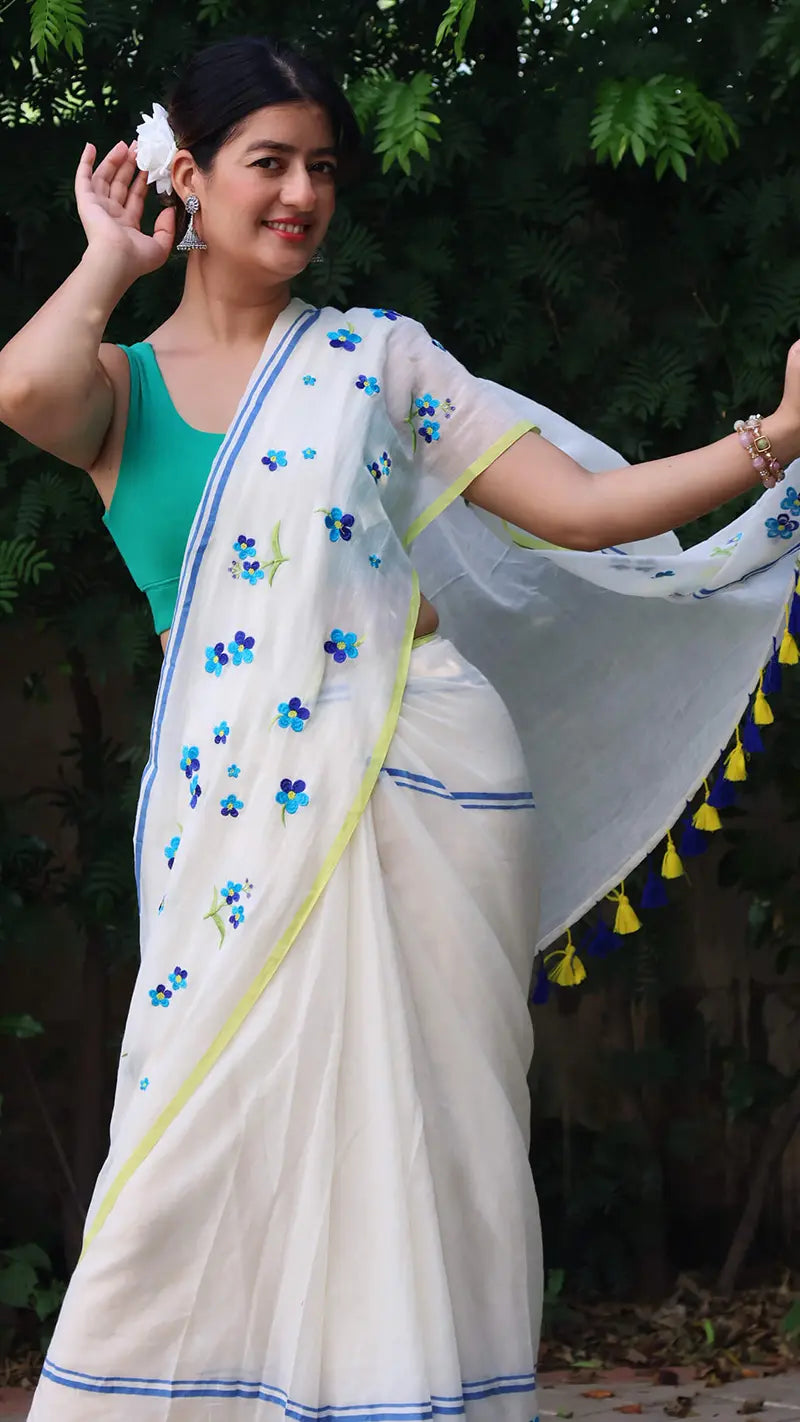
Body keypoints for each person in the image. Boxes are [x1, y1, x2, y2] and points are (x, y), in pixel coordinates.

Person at [2, 33, 800, 1422]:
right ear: (186, 176)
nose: (302, 192)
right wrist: (110, 255)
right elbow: (20, 388)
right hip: (239, 828)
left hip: (429, 784)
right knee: (194, 1137)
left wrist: (775, 440)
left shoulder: (379, 361)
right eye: (267, 163)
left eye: (321, 166)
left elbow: (575, 507)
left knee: (427, 1139)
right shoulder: (117, 390)